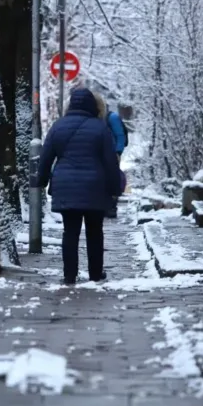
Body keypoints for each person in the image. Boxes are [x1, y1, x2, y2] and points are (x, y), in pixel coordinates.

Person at [37, 88, 123, 284]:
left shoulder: (58, 126)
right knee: (95, 231)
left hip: (66, 185)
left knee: (70, 231)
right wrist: (114, 188)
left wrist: (41, 181)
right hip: (95, 186)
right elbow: (110, 161)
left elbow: (46, 157)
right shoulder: (100, 128)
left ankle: (69, 275)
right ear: (94, 106)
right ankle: (95, 273)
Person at [105, 108, 127, 218]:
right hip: (103, 153)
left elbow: (120, 135)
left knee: (112, 179)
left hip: (113, 154)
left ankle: (111, 207)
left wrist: (118, 152)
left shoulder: (112, 118)